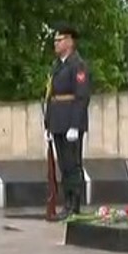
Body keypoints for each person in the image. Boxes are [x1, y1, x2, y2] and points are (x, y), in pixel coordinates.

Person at [43, 22, 92, 218]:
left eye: (59, 40)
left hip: (70, 122)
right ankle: (67, 202)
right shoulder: (57, 66)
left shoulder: (77, 65)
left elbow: (81, 97)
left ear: (70, 42)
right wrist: (48, 124)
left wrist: (74, 125)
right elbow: (50, 96)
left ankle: (74, 204)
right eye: (55, 40)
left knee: (73, 165)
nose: (56, 43)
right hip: (58, 122)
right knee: (63, 165)